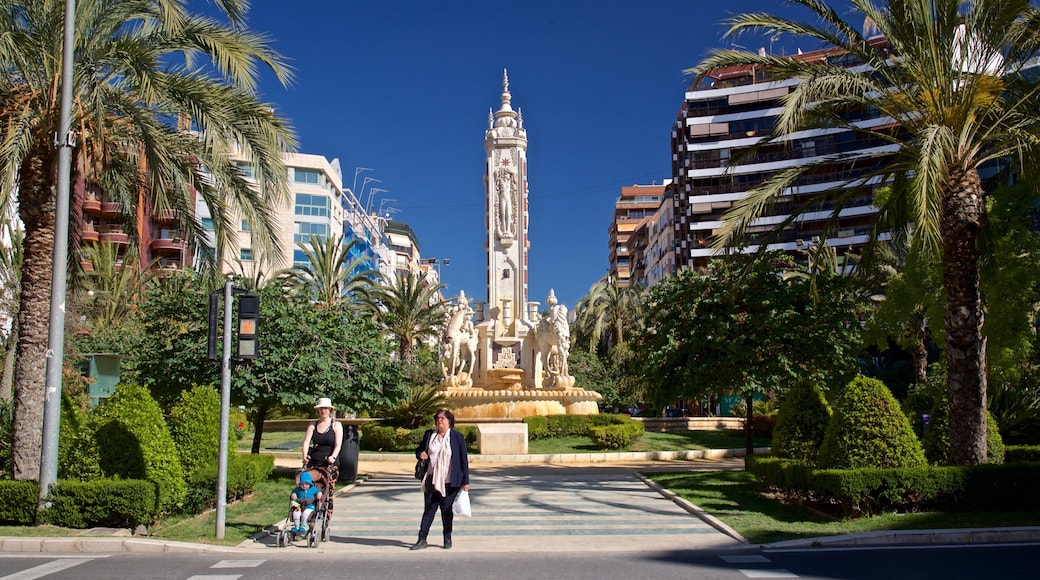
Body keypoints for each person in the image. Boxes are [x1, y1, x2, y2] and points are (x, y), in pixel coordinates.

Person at [410, 409, 470, 550]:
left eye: (442, 418)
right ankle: (422, 538)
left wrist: (465, 482)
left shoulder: (457, 437)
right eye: (438, 418)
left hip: (450, 481)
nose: (439, 421)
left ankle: (447, 538)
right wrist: (421, 454)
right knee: (429, 509)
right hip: (431, 479)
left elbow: (463, 461)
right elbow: (419, 450)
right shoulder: (430, 435)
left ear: (449, 421)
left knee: (446, 510)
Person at [302, 397, 343, 469]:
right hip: (313, 462)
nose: (323, 411)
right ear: (318, 410)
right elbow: (306, 442)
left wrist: (333, 457)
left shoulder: (336, 425)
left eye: (326, 408)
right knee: (304, 478)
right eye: (321, 408)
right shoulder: (312, 425)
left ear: (330, 410)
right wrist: (305, 456)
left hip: (329, 464)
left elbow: (338, 445)